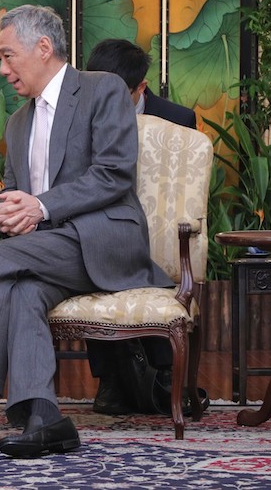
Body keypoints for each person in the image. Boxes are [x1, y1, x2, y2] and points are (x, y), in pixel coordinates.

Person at [0, 5, 173, 457]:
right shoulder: (17, 122)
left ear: (44, 47)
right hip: (48, 249)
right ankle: (45, 416)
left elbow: (114, 174)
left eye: (8, 56)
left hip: (107, 240)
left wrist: (41, 206)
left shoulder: (101, 89)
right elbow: (17, 195)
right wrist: (7, 216)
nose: (3, 69)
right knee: (23, 288)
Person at [84, 38, 198, 415]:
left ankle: (163, 377)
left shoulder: (177, 120)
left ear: (140, 88)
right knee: (94, 254)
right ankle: (112, 380)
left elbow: (189, 193)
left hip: (159, 233)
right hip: (106, 231)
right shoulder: (80, 119)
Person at [86, 38, 196, 129]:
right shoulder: (76, 116)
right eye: (97, 93)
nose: (105, 102)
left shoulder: (180, 120)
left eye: (115, 96)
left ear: (141, 87)